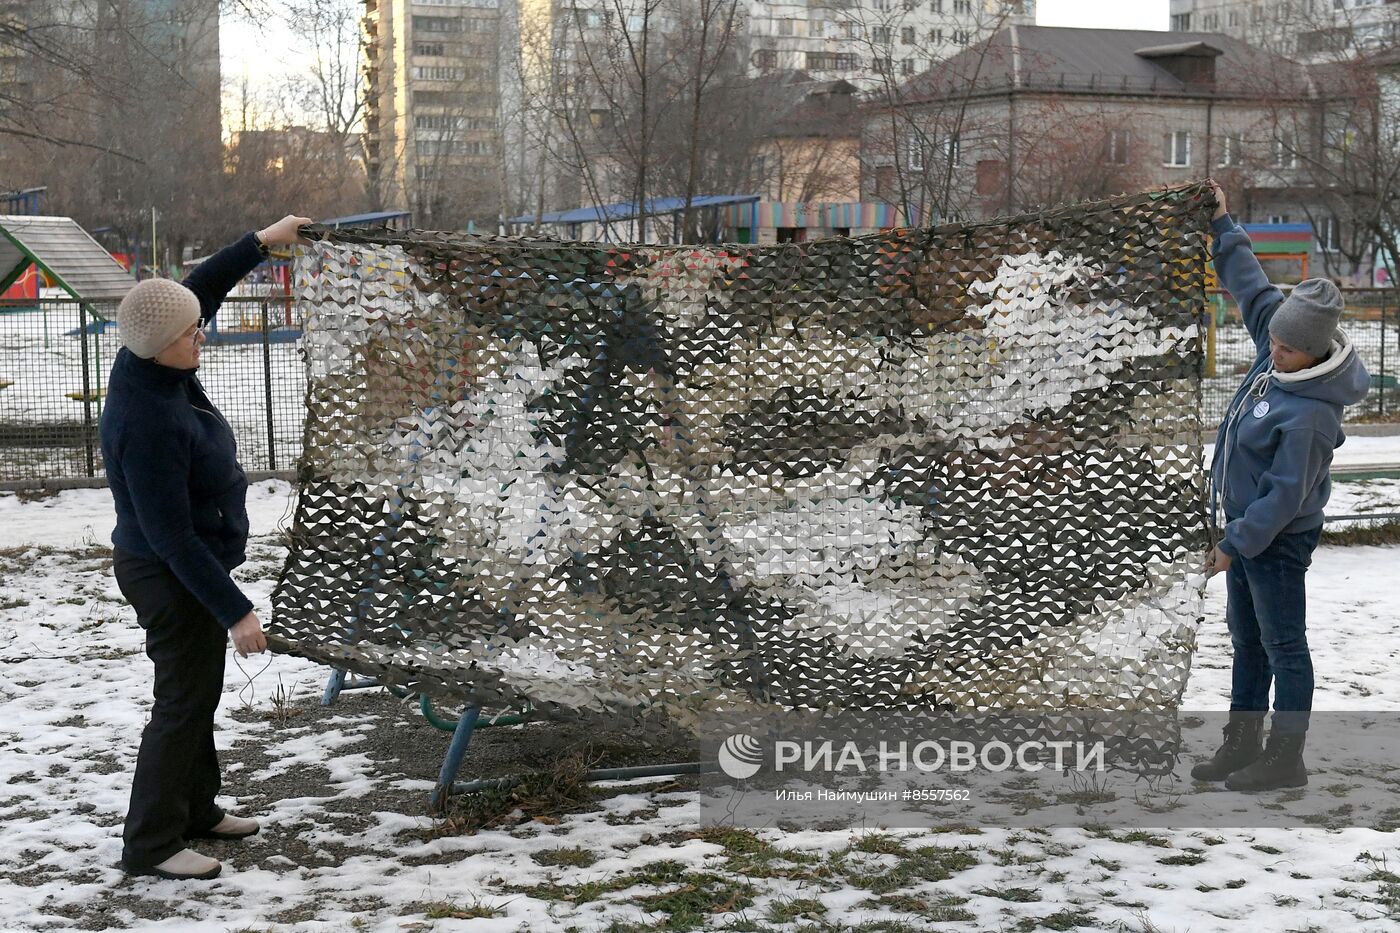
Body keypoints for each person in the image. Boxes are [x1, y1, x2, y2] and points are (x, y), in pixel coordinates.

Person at [102, 214, 311, 880]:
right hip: (165, 572)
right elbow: (171, 536)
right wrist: (235, 610)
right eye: (193, 333)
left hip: (182, 565)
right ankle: (150, 843)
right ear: (163, 345)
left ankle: (195, 807)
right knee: (182, 700)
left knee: (198, 691)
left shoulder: (153, 357)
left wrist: (258, 241)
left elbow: (195, 291)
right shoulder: (149, 420)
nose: (203, 334)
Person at [1192, 182, 1368, 791]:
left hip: (1277, 538)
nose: (1275, 352)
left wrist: (1234, 543)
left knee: (1283, 644)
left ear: (1314, 352)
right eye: (1274, 341)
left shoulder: (1313, 412)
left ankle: (1285, 757)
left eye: (1288, 350)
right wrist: (1221, 223)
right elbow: (1251, 284)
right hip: (1245, 533)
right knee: (1246, 641)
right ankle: (1241, 745)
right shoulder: (1279, 342)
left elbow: (1285, 496)